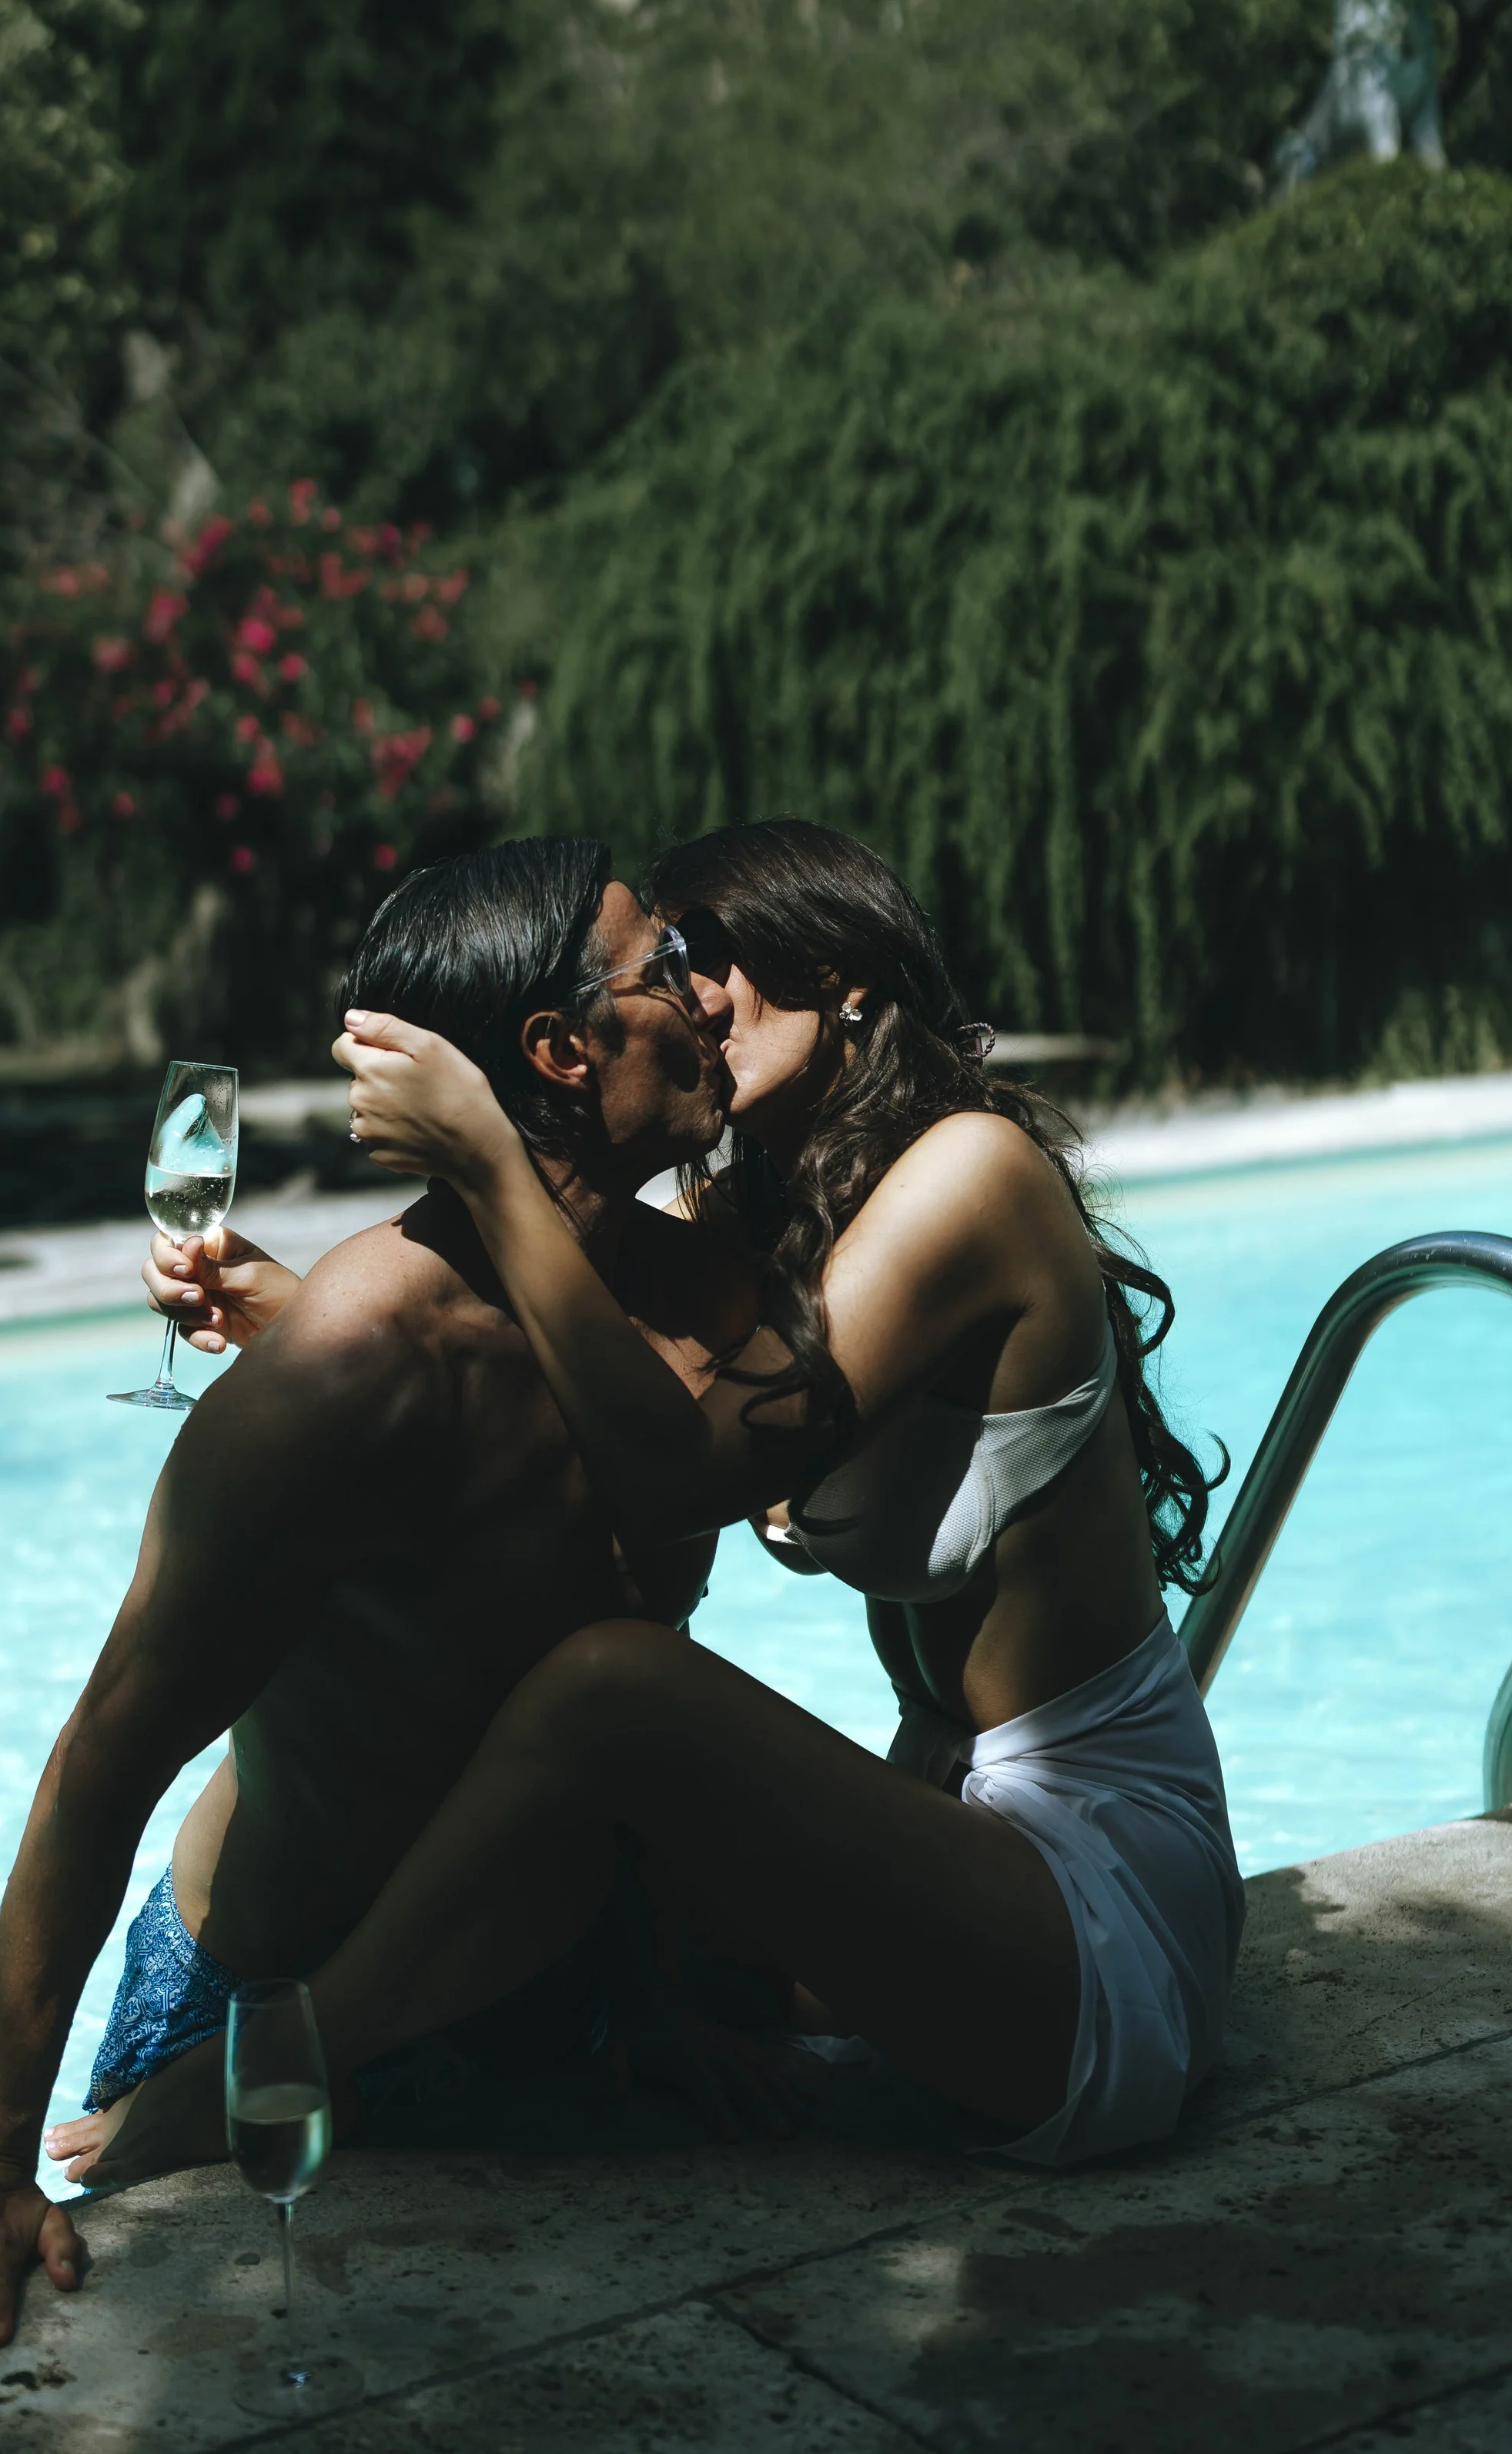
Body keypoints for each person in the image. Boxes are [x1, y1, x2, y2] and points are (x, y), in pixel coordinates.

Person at [0, 837, 750, 2369]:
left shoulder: (691, 1302)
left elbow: (625, 1659)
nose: (709, 987)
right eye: (665, 961)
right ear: (557, 1050)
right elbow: (101, 1756)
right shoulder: (355, 1369)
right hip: (264, 2026)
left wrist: (657, 1985)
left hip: (541, 1998)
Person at [320, 819, 1243, 2164]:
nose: (686, 996)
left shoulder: (970, 1179)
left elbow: (676, 1475)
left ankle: (285, 2057)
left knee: (610, 1688)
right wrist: (309, 1322)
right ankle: (388, 2050)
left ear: (844, 970)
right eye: (661, 966)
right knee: (519, 1749)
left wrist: (484, 1158)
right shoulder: (755, 1227)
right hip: (956, 1844)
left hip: (1100, 1899)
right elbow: (572, 1437)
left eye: (707, 954)